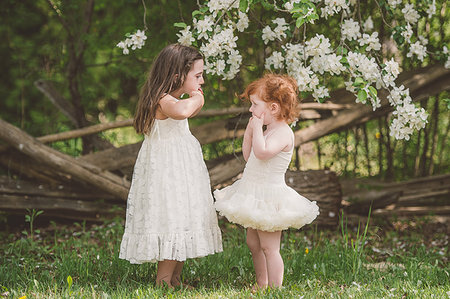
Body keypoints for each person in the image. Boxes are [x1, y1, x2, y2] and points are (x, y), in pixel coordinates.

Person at [119, 44, 223, 289]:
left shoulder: (175, 99)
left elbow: (186, 110)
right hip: (167, 172)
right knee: (172, 219)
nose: (202, 81)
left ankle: (175, 279)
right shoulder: (164, 101)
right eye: (197, 76)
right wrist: (197, 97)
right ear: (177, 76)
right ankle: (164, 282)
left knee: (183, 216)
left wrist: (194, 97)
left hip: (181, 170)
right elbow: (182, 112)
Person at [214, 74, 319, 289]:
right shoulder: (268, 129)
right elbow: (248, 155)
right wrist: (250, 133)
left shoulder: (283, 133)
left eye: (254, 105)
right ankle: (261, 282)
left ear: (273, 108)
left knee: (270, 248)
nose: (251, 110)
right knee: (253, 243)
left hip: (269, 198)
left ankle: (275, 287)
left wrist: (255, 130)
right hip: (253, 193)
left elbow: (262, 153)